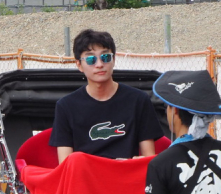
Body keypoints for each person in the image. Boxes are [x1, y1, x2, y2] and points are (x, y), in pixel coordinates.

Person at [50, 29, 163, 164]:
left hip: (125, 175)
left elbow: (148, 159)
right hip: (85, 178)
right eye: (91, 59)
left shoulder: (138, 100)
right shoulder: (66, 106)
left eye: (105, 57)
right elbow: (65, 165)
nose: (99, 64)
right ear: (79, 65)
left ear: (113, 60)